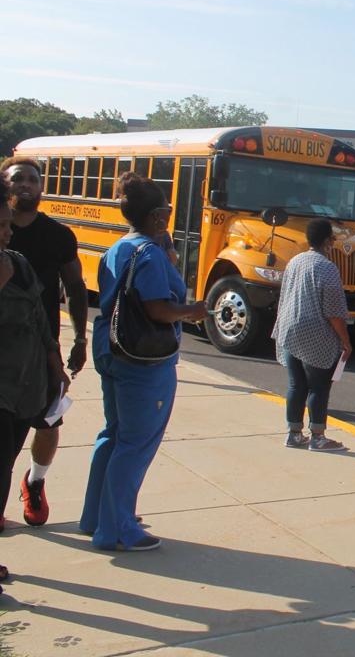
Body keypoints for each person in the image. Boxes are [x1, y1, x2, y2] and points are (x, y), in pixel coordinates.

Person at [81, 173, 207, 551]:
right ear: (155, 215)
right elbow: (157, 308)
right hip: (142, 360)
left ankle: (96, 516)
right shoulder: (150, 254)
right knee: (136, 443)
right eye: (166, 210)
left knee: (114, 434)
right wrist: (192, 311)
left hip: (109, 348)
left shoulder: (118, 247)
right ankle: (117, 530)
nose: (169, 215)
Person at [2, 157, 89, 528]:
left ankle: (35, 482)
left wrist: (79, 339)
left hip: (42, 348)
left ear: (42, 187)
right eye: (17, 178)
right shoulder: (3, 233)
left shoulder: (57, 236)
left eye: (32, 179)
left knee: (49, 423)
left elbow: (74, 288)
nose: (26, 185)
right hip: (6, 354)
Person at [1, 176, 71, 586]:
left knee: (9, 462)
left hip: (26, 380)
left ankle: (32, 487)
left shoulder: (20, 262)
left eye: (8, 225)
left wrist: (55, 361)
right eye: (0, 226)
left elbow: (42, 318)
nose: (7, 232)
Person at [272, 218, 353, 452]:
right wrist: (345, 341)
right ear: (328, 241)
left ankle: (294, 434)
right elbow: (334, 312)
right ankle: (318, 436)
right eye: (333, 239)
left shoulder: (294, 262)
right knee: (319, 386)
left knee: (296, 384)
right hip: (315, 333)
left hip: (289, 329)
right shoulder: (327, 268)